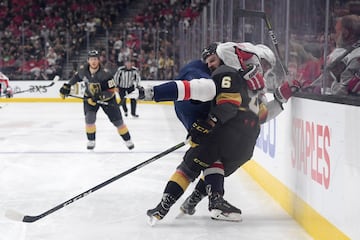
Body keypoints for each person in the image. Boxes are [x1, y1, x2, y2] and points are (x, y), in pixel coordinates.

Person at [144, 42, 300, 224]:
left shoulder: (229, 75)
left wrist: (208, 123)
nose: (210, 65)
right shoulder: (250, 83)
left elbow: (227, 103)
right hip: (244, 144)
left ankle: (170, 206)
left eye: (212, 60)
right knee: (216, 166)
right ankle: (194, 200)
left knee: (191, 167)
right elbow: (261, 114)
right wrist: (281, 97)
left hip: (225, 133)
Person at [59, 50, 134, 150]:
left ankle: (127, 140)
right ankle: (91, 140)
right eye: (91, 59)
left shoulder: (106, 73)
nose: (93, 61)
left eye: (95, 59)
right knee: (89, 119)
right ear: (88, 60)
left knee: (118, 122)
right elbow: (76, 77)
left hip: (108, 99)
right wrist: (67, 86)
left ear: (99, 60)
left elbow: (111, 90)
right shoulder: (83, 70)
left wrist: (98, 97)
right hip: (89, 97)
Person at [307, 14, 360, 95]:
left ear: (346, 33)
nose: (333, 36)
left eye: (335, 32)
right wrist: (309, 89)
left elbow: (344, 92)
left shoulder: (356, 57)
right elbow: (323, 80)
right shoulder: (343, 52)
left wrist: (329, 85)